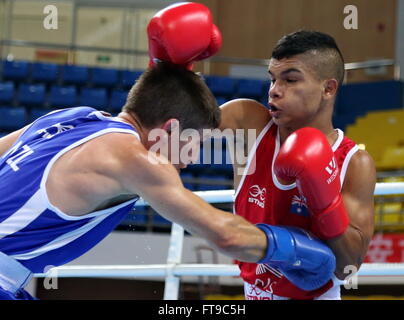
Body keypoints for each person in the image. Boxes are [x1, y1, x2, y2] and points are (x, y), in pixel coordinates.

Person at [0, 3, 336, 300]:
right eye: (194, 144)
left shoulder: (72, 116)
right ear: (171, 130)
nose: (190, 160)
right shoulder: (136, 159)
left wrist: (164, 67)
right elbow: (228, 235)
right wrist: (298, 251)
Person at [219, 30, 376, 300]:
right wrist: (172, 71)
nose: (274, 90)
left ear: (328, 88)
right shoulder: (248, 124)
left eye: (290, 80)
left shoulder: (354, 163)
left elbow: (347, 268)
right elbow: (176, 132)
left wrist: (325, 204)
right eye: (272, 78)